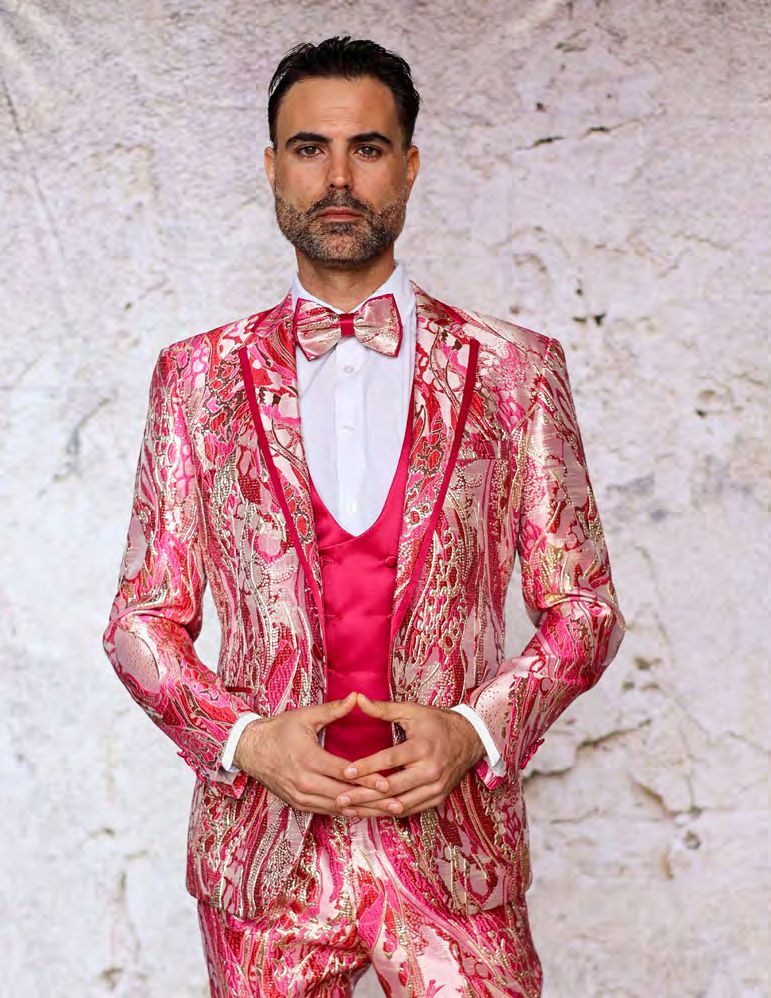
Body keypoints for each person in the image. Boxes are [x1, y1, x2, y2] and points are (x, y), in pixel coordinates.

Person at [103, 34, 626, 997]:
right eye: (309, 148)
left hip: (454, 856)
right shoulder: (194, 376)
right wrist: (244, 740)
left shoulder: (515, 369)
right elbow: (141, 620)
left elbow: (585, 607)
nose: (337, 177)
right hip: (263, 865)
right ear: (272, 166)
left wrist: (474, 729)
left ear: (410, 165)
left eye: (368, 149)